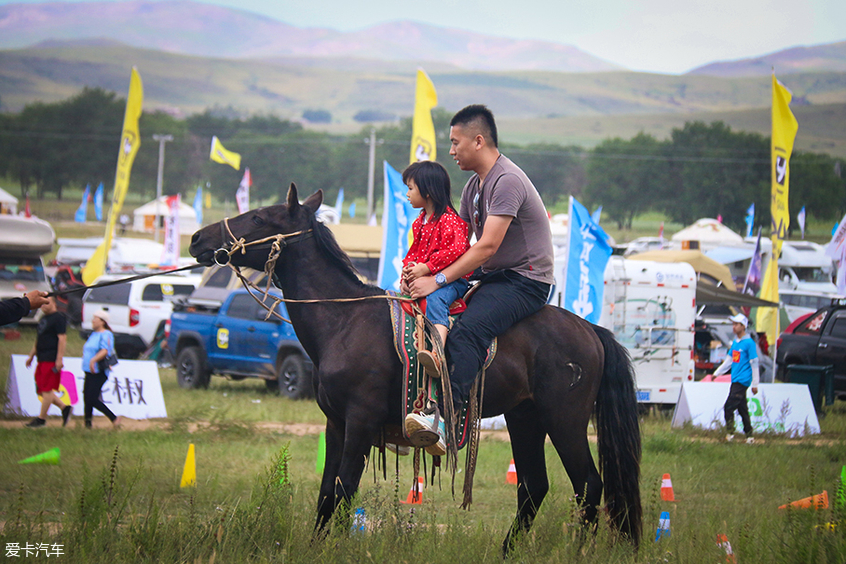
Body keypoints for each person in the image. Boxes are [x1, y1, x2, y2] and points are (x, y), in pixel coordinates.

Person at [404, 104, 554, 453]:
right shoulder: (473, 186)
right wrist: (420, 271)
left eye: (456, 143)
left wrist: (438, 280)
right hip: (495, 278)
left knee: (468, 331)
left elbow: (485, 247)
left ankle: (446, 421)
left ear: (479, 140)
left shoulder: (507, 181)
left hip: (525, 281)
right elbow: (461, 246)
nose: (452, 151)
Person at [400, 160, 471, 380]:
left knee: (436, 300)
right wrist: (408, 272)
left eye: (411, 188)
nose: (407, 194)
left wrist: (428, 267)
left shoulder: (450, 221)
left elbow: (457, 250)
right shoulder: (420, 222)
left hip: (450, 280)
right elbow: (414, 253)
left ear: (428, 191)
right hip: (428, 277)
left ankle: (438, 352)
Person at [24, 296, 71, 428]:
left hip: (51, 358)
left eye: (47, 303)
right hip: (41, 357)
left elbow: (62, 339)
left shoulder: (58, 318)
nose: (44, 306)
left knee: (47, 389)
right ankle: (64, 407)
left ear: (54, 303)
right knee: (41, 389)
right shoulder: (43, 319)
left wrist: (59, 359)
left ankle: (41, 419)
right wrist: (31, 355)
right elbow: (39, 339)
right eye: (42, 304)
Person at [713, 313, 759, 443]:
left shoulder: (749, 343)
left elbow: (754, 363)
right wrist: (717, 373)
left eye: (736, 324)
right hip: (735, 379)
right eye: (733, 324)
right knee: (743, 409)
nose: (734, 327)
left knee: (728, 407)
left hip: (742, 380)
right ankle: (749, 436)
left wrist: (755, 383)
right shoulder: (736, 343)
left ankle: (730, 434)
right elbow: (729, 361)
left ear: (743, 326)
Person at [81, 310, 121, 429]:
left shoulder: (106, 334)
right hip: (89, 370)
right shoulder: (93, 334)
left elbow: (105, 350)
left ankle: (114, 418)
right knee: (87, 398)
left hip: (99, 370)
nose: (93, 321)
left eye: (95, 318)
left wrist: (93, 360)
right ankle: (87, 424)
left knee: (92, 398)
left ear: (102, 321)